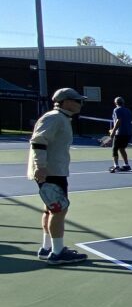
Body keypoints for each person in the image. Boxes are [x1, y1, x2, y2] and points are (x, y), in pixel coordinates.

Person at [26, 88, 89, 265]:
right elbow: (38, 141)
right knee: (59, 210)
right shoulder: (54, 118)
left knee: (50, 210)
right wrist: (40, 168)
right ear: (66, 101)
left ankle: (47, 248)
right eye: (77, 100)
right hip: (52, 172)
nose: (80, 104)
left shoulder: (60, 118)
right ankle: (58, 252)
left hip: (53, 171)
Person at [108, 96, 132, 172]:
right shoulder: (128, 111)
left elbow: (119, 121)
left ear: (115, 103)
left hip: (120, 133)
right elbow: (125, 122)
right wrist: (113, 130)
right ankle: (127, 165)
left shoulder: (116, 110)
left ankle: (116, 166)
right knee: (122, 148)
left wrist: (113, 131)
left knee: (114, 149)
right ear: (123, 103)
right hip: (129, 133)